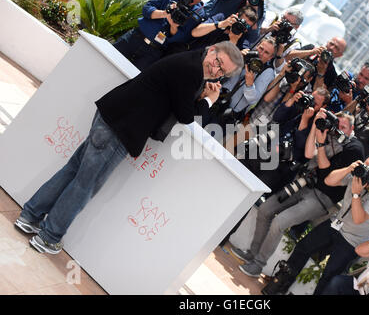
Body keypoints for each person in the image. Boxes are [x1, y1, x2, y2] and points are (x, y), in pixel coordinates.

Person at [14, 41, 244, 254]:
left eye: (222, 72)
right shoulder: (192, 70)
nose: (215, 70)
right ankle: (48, 236)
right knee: (85, 185)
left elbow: (176, 97)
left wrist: (201, 94)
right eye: (218, 62)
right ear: (212, 50)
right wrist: (209, 100)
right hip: (120, 129)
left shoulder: (191, 62)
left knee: (74, 171)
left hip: (113, 117)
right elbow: (185, 115)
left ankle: (30, 216)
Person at [232, 111, 365, 278]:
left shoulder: (354, 148)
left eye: (342, 127)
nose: (337, 130)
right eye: (336, 125)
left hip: (322, 196)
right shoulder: (327, 133)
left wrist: (322, 144)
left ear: (351, 129)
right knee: (265, 209)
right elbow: (309, 154)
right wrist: (316, 127)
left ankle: (258, 265)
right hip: (303, 183)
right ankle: (251, 253)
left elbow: (326, 170)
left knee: (280, 222)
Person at [260, 156, 369, 295]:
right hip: (337, 223)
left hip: (353, 240)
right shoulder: (357, 176)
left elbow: (358, 218)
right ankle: (279, 286)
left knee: (329, 275)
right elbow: (329, 181)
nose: (366, 172)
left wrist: (356, 193)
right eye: (365, 166)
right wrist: (348, 169)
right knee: (304, 247)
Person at [113, 0, 207, 71]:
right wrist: (165, 13)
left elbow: (180, 38)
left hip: (153, 52)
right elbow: (146, 9)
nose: (192, 1)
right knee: (105, 59)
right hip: (134, 38)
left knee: (129, 81)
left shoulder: (198, 13)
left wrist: (173, 26)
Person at [216, 37, 277, 124]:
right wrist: (236, 59)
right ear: (257, 46)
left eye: (266, 53)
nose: (261, 53)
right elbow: (219, 71)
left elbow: (253, 100)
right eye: (261, 48)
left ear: (270, 58)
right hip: (215, 96)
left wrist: (249, 84)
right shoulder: (247, 53)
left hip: (229, 113)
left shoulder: (267, 72)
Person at [203, 0, 274, 47]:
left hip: (222, 40)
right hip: (205, 22)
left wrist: (255, 16)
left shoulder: (261, 12)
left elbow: (251, 38)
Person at [259, 6, 305, 73]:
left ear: (296, 27)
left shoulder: (294, 43)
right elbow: (252, 32)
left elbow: (279, 69)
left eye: (288, 22)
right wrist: (268, 29)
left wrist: (280, 49)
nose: (283, 22)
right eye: (283, 18)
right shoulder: (273, 19)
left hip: (265, 69)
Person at [189, 6, 258, 50]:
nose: (243, 26)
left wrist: (233, 41)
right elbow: (194, 33)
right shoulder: (221, 18)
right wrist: (220, 24)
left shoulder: (243, 40)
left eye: (247, 26)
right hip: (193, 52)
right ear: (236, 16)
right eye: (243, 22)